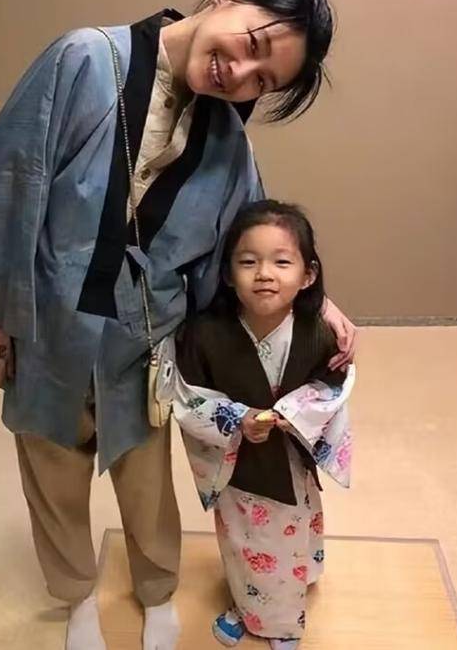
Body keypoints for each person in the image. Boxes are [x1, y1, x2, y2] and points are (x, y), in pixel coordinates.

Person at [0, 0, 356, 650]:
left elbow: (250, 236)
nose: (241, 74)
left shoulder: (226, 140)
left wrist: (318, 301)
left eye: (262, 80)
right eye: (253, 44)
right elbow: (8, 181)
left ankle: (157, 590)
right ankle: (76, 596)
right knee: (52, 470)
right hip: (47, 322)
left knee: (146, 480)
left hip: (145, 340)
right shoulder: (86, 59)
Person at [173, 200, 355, 648]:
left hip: (290, 457)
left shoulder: (320, 332)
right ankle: (248, 604)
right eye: (248, 262)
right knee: (243, 539)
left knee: (290, 533)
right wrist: (236, 419)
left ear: (308, 275)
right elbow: (188, 394)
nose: (265, 274)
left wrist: (294, 413)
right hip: (240, 461)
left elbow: (333, 386)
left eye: (282, 262)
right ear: (226, 273)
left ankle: (283, 616)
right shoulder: (204, 334)